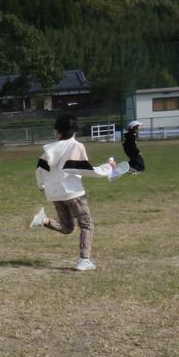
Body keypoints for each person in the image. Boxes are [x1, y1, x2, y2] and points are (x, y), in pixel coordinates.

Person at [29, 115, 115, 271]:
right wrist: (108, 167)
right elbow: (87, 170)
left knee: (68, 227)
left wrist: (42, 185)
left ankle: (43, 220)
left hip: (55, 194)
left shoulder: (49, 149)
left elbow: (39, 169)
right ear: (75, 131)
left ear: (57, 132)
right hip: (74, 193)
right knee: (86, 225)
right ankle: (84, 260)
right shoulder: (76, 146)